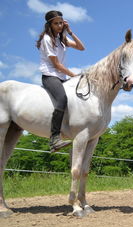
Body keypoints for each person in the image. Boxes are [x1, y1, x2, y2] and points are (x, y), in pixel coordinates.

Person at [36, 10, 85, 152]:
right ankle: (54, 138)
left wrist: (70, 32)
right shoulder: (47, 39)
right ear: (49, 25)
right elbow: (56, 65)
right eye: (56, 23)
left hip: (62, 77)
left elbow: (81, 47)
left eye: (61, 23)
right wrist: (74, 75)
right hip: (50, 76)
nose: (59, 25)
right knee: (62, 99)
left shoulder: (61, 39)